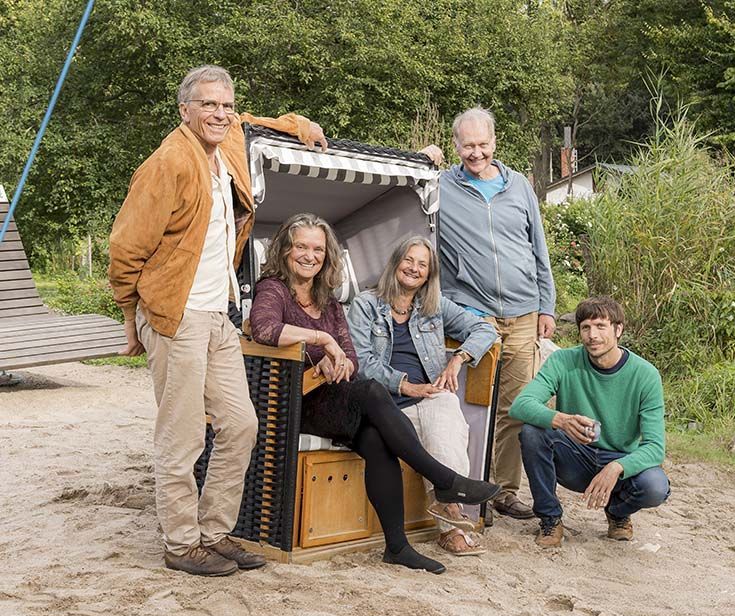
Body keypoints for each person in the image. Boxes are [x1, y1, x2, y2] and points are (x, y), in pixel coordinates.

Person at [109, 64, 328, 577]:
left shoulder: (226, 142)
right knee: (181, 435)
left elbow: (253, 121)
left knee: (241, 424)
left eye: (225, 105)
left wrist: (298, 125)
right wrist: (130, 318)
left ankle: (214, 531)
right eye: (208, 104)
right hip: (175, 313)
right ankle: (181, 544)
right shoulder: (167, 164)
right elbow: (124, 250)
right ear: (184, 109)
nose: (220, 113)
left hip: (218, 315)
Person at [249, 214, 503, 574]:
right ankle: (446, 481)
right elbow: (264, 328)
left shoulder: (329, 299)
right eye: (301, 247)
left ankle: (397, 546)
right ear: (285, 251)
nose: (310, 255)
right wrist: (321, 342)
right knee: (370, 390)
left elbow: (352, 357)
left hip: (332, 398)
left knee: (375, 439)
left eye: (318, 249)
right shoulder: (273, 289)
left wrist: (338, 363)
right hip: (294, 399)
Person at [420, 107, 556, 521]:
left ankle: (503, 490)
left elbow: (539, 249)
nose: (475, 153)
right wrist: (421, 158)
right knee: (471, 406)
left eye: (482, 145)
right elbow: (403, 186)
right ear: (456, 145)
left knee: (517, 406)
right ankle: (467, 490)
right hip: (471, 314)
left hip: (523, 312)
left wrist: (546, 304)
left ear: (494, 143)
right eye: (467, 146)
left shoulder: (519, 187)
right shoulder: (441, 186)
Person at [347, 236, 499, 556]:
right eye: (409, 260)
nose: (414, 269)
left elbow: (486, 330)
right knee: (435, 423)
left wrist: (457, 359)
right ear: (395, 262)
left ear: (429, 274)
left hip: (428, 395)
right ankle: (454, 524)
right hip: (384, 403)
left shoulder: (434, 306)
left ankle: (451, 522)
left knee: (448, 424)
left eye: (422, 265)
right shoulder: (365, 304)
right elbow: (361, 362)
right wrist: (405, 385)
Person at [509, 296, 670, 547]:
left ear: (618, 329)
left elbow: (655, 447)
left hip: (618, 460)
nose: (592, 335)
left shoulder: (645, 375)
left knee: (655, 486)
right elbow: (521, 405)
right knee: (532, 432)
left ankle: (617, 513)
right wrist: (560, 420)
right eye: (586, 327)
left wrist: (617, 468)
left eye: (600, 326)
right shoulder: (563, 361)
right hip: (575, 457)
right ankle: (550, 518)